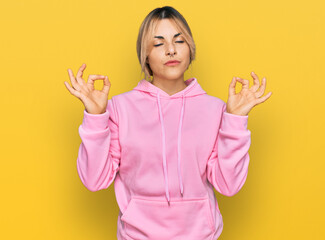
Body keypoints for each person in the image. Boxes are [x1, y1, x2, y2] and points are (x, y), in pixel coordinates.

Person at [64, 5, 272, 240]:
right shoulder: (119, 109)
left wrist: (235, 119)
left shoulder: (215, 110)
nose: (171, 50)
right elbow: (94, 180)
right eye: (159, 43)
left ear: (190, 49)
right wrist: (95, 116)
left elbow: (229, 185)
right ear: (145, 55)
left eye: (179, 41)